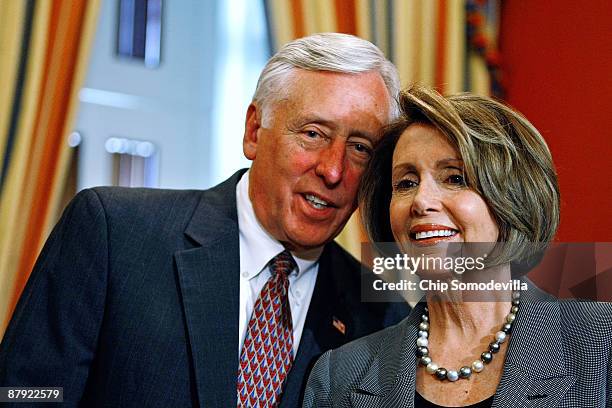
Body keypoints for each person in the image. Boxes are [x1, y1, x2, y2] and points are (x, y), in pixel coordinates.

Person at [0, 33, 410, 407]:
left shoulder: (380, 313)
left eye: (360, 147)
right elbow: (25, 393)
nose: (333, 170)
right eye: (313, 134)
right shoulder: (114, 232)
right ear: (254, 131)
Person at [303, 85, 612, 407]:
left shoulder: (601, 342)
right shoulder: (338, 376)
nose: (421, 201)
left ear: (512, 197)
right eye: (406, 183)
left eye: (455, 178)